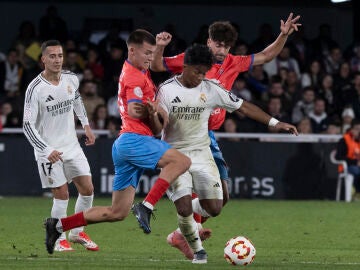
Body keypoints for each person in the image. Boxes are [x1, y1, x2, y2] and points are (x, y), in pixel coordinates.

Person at [151, 13, 301, 257]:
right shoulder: (193, 60)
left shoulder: (233, 62)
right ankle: (188, 232)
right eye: (219, 45)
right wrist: (159, 47)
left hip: (208, 134)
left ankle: (183, 233)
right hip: (183, 134)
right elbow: (157, 66)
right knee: (191, 191)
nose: (222, 50)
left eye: (227, 46)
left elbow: (266, 55)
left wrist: (283, 35)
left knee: (223, 197)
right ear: (209, 42)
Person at [43, 29, 191, 254]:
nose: (150, 58)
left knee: (117, 212)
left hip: (126, 144)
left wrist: (154, 112)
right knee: (182, 162)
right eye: (147, 53)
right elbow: (133, 108)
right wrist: (151, 110)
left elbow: (157, 127)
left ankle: (58, 225)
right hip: (134, 141)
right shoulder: (134, 76)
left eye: (152, 53)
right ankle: (146, 206)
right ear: (132, 50)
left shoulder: (139, 70)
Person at [22, 40, 98, 252]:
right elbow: (27, 126)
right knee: (62, 193)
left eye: (60, 56)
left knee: (88, 189)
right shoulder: (34, 89)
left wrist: (86, 125)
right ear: (43, 59)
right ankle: (57, 238)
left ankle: (76, 233)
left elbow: (76, 100)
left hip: (71, 145)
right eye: (52, 56)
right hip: (48, 150)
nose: (57, 60)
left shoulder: (71, 79)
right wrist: (46, 150)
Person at [335, 119, 360, 197]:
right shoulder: (344, 140)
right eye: (357, 129)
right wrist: (355, 162)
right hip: (346, 167)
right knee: (356, 170)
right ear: (351, 129)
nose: (359, 131)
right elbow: (338, 156)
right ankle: (356, 191)